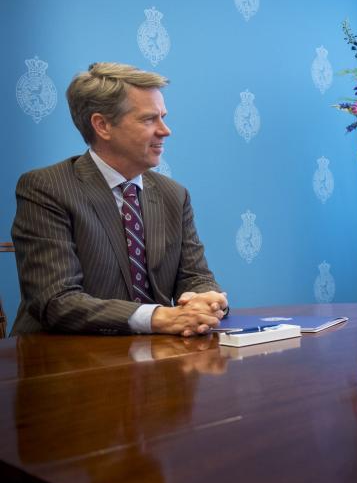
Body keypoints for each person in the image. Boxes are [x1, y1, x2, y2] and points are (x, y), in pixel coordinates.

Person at [10, 62, 227, 336]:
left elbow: (195, 275)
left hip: (153, 359)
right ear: (102, 125)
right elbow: (57, 300)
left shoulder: (174, 195)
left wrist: (204, 298)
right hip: (60, 359)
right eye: (149, 119)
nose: (165, 130)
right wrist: (158, 317)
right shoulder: (46, 188)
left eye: (164, 116)